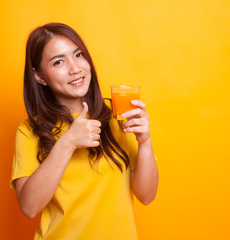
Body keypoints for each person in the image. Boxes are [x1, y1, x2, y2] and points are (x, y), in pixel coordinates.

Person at [10, 22, 159, 240]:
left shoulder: (116, 117)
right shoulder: (30, 131)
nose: (75, 68)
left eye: (78, 55)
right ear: (39, 76)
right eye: (58, 61)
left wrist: (145, 141)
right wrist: (67, 142)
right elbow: (29, 207)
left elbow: (146, 195)